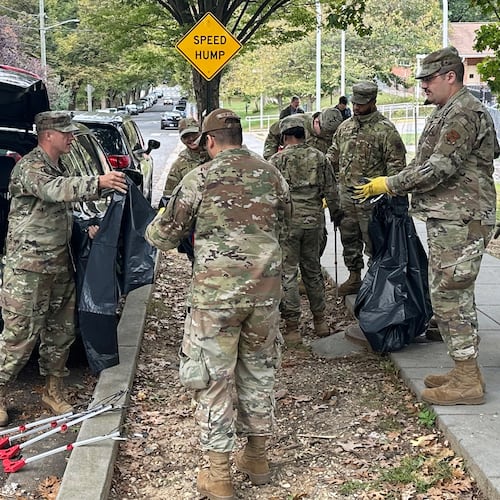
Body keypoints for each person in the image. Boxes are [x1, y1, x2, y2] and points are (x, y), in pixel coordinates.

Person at [145, 108, 292, 499]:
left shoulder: (200, 177)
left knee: (213, 380)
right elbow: (286, 224)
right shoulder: (272, 174)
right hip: (264, 293)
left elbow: (162, 236)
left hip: (215, 299)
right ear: (239, 136)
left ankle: (220, 474)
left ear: (209, 141)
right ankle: (257, 457)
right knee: (259, 372)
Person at [352, 47, 500, 406]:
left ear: (451, 76)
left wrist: (389, 183)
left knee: (450, 296)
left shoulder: (463, 112)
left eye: (428, 80)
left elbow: (439, 168)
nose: (423, 87)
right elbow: (491, 149)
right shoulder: (451, 110)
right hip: (454, 215)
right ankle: (466, 369)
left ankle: (467, 380)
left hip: (461, 218)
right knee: (449, 292)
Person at [0, 111, 128, 426]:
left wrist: (86, 228)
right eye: (66, 133)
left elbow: (60, 211)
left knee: (60, 333)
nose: (71, 138)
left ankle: (53, 390)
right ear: (48, 135)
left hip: (59, 263)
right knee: (19, 335)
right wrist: (99, 181)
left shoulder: (61, 165)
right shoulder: (29, 168)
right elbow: (54, 190)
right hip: (28, 270)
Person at [327, 81, 407, 296]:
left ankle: (375, 282)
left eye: (362, 104)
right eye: (355, 103)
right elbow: (333, 156)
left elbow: (396, 167)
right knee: (349, 238)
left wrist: (389, 194)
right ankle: (354, 277)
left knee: (374, 242)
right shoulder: (345, 127)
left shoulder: (386, 130)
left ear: (373, 102)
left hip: (371, 199)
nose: (357, 108)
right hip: (346, 197)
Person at [270, 115, 338, 344]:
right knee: (313, 270)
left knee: (288, 273)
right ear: (303, 134)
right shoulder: (319, 158)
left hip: (287, 224)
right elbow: (331, 190)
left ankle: (292, 328)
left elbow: (270, 196)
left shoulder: (277, 161)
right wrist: (336, 216)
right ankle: (320, 321)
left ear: (285, 136)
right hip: (314, 222)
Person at [161, 117, 209, 205]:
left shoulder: (214, 154)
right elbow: (169, 196)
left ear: (201, 133)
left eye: (194, 134)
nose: (191, 138)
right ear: (181, 139)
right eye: (186, 136)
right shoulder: (178, 165)